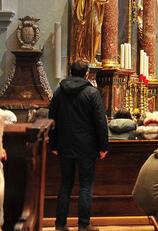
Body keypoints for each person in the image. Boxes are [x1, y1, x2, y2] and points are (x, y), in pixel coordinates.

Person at [49, 60, 108, 231]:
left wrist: (53, 143)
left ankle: (60, 224)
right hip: (87, 146)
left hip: (64, 145)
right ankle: (84, 224)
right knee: (86, 185)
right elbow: (100, 122)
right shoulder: (92, 92)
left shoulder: (59, 92)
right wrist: (103, 146)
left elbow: (51, 120)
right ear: (87, 74)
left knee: (65, 184)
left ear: (70, 72)